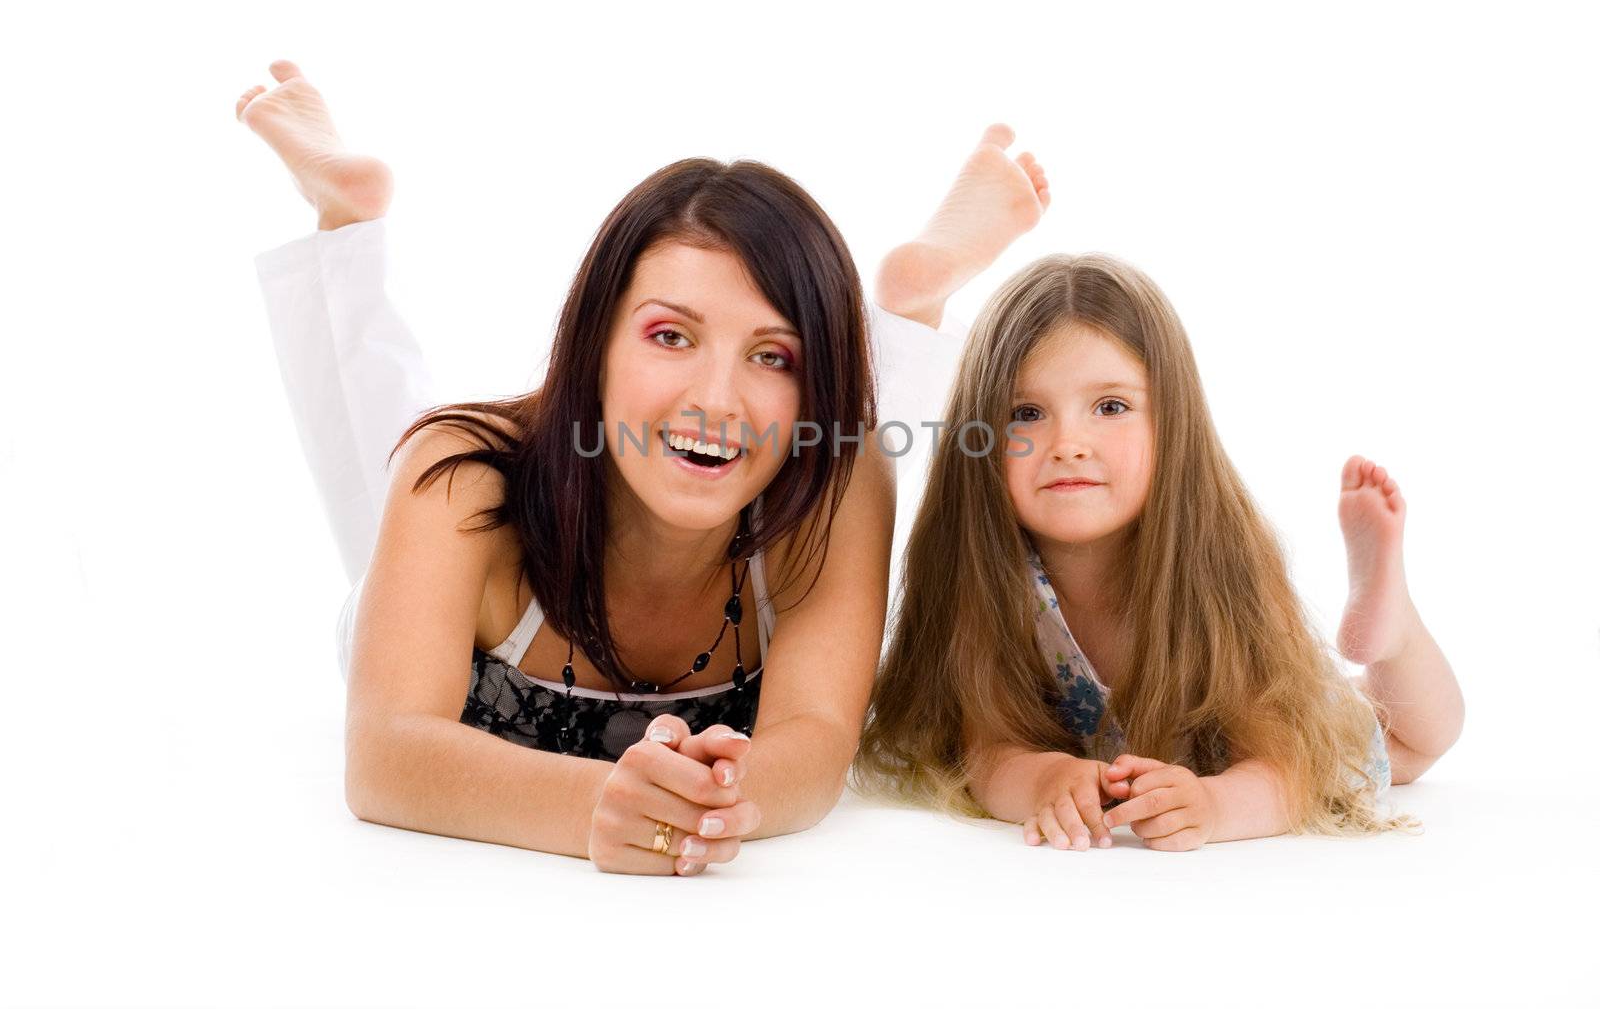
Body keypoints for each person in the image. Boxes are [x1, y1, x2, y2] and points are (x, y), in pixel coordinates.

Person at [237, 60, 1051, 874]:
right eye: (670, 336)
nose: (716, 400)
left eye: (773, 355)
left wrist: (700, 804)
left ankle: (905, 311)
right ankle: (347, 222)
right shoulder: (464, 480)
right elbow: (386, 758)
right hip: (473, 520)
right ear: (597, 341)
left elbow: (815, 747)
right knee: (394, 466)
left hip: (810, 458)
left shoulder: (838, 476)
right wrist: (609, 808)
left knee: (848, 437)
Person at [855, 252, 1466, 850]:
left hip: (1261, 733)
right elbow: (985, 749)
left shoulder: (1217, 558)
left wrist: (1216, 805)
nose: (1068, 443)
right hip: (1135, 743)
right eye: (1027, 413)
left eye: (1111, 407)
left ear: (1172, 424)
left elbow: (1287, 764)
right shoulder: (991, 575)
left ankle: (1390, 630)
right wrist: (1044, 778)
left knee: (1413, 740)